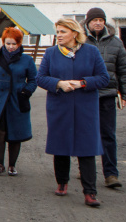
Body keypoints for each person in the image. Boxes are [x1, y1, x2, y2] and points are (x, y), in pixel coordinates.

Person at [37, 18, 110, 207]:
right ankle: (62, 182)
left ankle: (90, 193)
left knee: (87, 149)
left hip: (86, 108)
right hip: (60, 106)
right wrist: (58, 83)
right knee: (60, 146)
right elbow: (41, 78)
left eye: (62, 32)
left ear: (75, 34)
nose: (58, 35)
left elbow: (104, 78)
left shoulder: (91, 52)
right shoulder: (51, 53)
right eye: (57, 32)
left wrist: (83, 83)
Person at [84, 8, 126, 189]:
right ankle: (85, 168)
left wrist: (125, 94)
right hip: (85, 94)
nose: (98, 23)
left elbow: (124, 71)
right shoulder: (80, 41)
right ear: (87, 22)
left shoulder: (116, 43)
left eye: (101, 20)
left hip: (107, 95)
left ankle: (111, 174)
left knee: (108, 136)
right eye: (94, 20)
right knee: (86, 134)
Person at [0, 27, 37, 176]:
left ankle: (12, 165)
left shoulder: (27, 60)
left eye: (14, 44)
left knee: (15, 133)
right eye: (8, 43)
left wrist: (26, 92)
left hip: (17, 100)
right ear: (3, 42)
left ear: (19, 43)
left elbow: (34, 79)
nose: (11, 47)